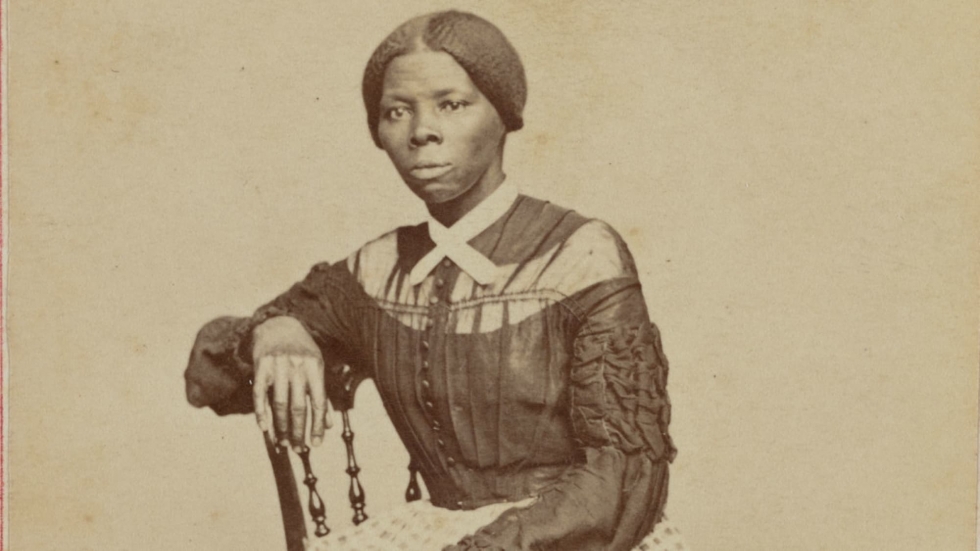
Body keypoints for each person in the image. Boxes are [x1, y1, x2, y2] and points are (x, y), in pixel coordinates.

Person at [184, 10, 684, 551]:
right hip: (434, 529)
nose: (422, 132)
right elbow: (208, 382)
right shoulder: (371, 272)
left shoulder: (580, 253)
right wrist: (274, 331)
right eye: (396, 111)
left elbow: (623, 481)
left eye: (452, 104)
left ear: (503, 115)